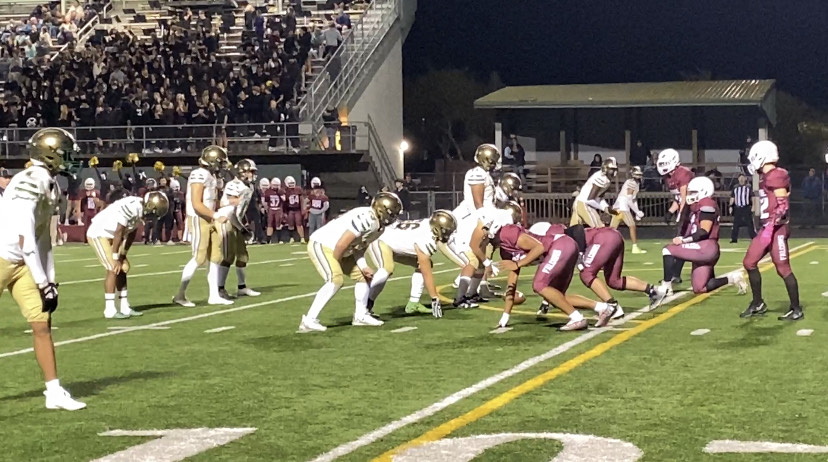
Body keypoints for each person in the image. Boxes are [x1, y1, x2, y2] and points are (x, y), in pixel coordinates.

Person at [0, 127, 85, 410]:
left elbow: (43, 237)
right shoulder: (28, 181)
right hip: (3, 257)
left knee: (42, 325)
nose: (71, 158)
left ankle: (53, 392)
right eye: (66, 153)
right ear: (49, 155)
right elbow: (25, 239)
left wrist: (50, 278)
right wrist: (43, 282)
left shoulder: (50, 183)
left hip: (23, 262)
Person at [299, 192, 403, 332]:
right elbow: (343, 243)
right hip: (324, 244)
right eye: (392, 214)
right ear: (381, 210)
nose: (393, 218)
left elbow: (358, 247)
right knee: (335, 280)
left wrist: (363, 266)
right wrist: (336, 261)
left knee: (363, 277)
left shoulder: (379, 227)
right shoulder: (367, 217)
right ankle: (309, 320)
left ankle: (360, 315)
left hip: (341, 248)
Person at [739, 141, 802, 321]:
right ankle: (758, 302)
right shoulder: (767, 176)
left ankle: (796, 308)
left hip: (777, 229)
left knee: (782, 268)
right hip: (768, 226)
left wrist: (770, 227)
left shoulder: (776, 175)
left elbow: (783, 207)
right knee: (749, 262)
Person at [87, 190, 168, 319]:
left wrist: (123, 254)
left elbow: (131, 233)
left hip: (112, 235)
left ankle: (124, 306)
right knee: (112, 268)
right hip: (99, 233)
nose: (153, 216)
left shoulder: (140, 209)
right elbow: (119, 231)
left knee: (123, 268)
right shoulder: (131, 206)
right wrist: (115, 258)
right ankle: (109, 309)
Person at [660, 176, 747, 295]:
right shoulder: (695, 205)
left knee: (668, 250)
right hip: (702, 247)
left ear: (703, 191)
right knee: (700, 288)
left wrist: (684, 240)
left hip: (706, 247)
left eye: (693, 192)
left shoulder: (707, 204)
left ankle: (666, 286)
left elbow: (704, 231)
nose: (690, 195)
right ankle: (732, 278)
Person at [367, 210, 457, 318]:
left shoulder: (427, 225)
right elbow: (426, 272)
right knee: (387, 268)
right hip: (381, 240)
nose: (448, 233)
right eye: (446, 230)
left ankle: (413, 303)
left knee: (423, 264)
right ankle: (365, 304)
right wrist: (434, 298)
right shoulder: (427, 239)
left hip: (395, 244)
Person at [173, 145, 232, 307]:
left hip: (209, 218)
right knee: (199, 258)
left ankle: (213, 295)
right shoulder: (199, 174)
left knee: (215, 256)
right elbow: (196, 203)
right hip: (199, 218)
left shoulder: (210, 175)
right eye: (220, 162)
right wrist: (215, 215)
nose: (222, 166)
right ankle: (180, 295)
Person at [449, 144, 501, 307]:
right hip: (473, 221)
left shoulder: (483, 174)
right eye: (493, 160)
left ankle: (472, 293)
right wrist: (485, 220)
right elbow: (478, 203)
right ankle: (460, 298)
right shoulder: (476, 174)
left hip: (483, 219)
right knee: (472, 260)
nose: (494, 164)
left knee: (478, 262)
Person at [216, 159, 261, 299]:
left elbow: (241, 209)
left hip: (237, 221)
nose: (253, 174)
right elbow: (229, 209)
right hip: (227, 221)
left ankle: (242, 287)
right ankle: (219, 289)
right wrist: (241, 228)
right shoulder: (234, 186)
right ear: (242, 172)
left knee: (242, 256)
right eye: (251, 171)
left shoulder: (249, 186)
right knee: (228, 256)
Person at [569, 156, 619, 265]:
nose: (614, 171)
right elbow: (590, 199)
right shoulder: (601, 178)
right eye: (612, 169)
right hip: (584, 204)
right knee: (600, 230)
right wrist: (605, 208)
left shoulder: (605, 179)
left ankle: (573, 257)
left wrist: (607, 208)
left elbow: (599, 198)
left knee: (573, 233)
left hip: (581, 202)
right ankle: (598, 258)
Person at [657, 148, 694, 282]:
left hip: (693, 211)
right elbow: (678, 199)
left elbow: (685, 198)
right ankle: (675, 275)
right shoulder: (669, 177)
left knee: (681, 243)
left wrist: (681, 217)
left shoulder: (683, 173)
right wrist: (670, 211)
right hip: (685, 210)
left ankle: (674, 275)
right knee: (681, 243)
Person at [610, 166, 645, 253]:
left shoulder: (635, 183)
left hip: (617, 208)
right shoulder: (631, 183)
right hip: (622, 208)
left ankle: (607, 246)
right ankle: (635, 247)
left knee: (612, 229)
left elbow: (633, 199)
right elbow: (629, 199)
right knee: (632, 226)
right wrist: (637, 211)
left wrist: (637, 212)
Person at [729, 174, 755, 243]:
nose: (741, 179)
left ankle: (753, 237)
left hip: (746, 207)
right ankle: (734, 239)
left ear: (745, 179)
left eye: (743, 178)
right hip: (738, 208)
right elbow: (732, 197)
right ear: (738, 179)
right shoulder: (735, 187)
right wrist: (730, 206)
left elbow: (752, 198)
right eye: (740, 178)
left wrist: (753, 207)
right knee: (735, 224)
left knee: (750, 223)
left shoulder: (748, 187)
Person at [262, 177, 285, 244]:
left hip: (278, 209)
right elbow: (266, 202)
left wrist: (279, 194)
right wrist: (266, 209)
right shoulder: (268, 191)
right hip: (271, 209)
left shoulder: (281, 191)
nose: (275, 187)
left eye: (276, 185)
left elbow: (284, 199)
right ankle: (268, 240)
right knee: (270, 224)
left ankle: (279, 239)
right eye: (274, 185)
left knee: (278, 224)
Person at [283, 175, 305, 243]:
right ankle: (291, 238)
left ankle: (302, 238)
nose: (291, 185)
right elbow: (285, 202)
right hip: (290, 209)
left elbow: (302, 199)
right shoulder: (285, 191)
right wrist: (285, 212)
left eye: (292, 183)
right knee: (290, 224)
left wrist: (302, 209)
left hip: (297, 209)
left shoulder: (298, 189)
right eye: (290, 184)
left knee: (299, 224)